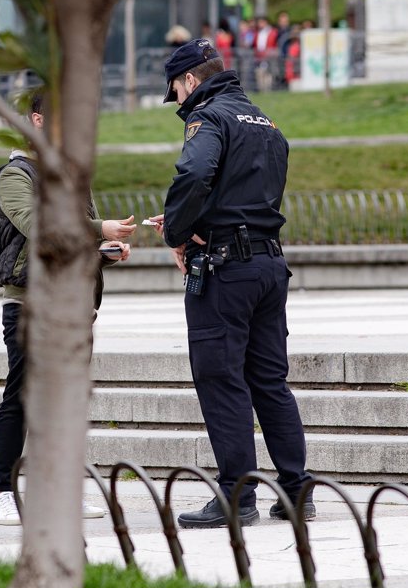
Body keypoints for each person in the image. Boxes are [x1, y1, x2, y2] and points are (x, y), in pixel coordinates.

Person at [150, 39, 314, 528]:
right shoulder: (265, 121)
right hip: (268, 263)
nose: (177, 101)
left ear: (191, 81)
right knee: (269, 381)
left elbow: (196, 171)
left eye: (175, 91)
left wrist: (179, 234)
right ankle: (295, 491)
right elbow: (246, 191)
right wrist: (204, 219)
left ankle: (236, 496)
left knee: (222, 381)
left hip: (225, 270)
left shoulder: (210, 118)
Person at [0, 92, 136, 525]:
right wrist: (97, 228)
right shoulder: (14, 175)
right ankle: (3, 490)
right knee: (21, 398)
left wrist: (104, 249)